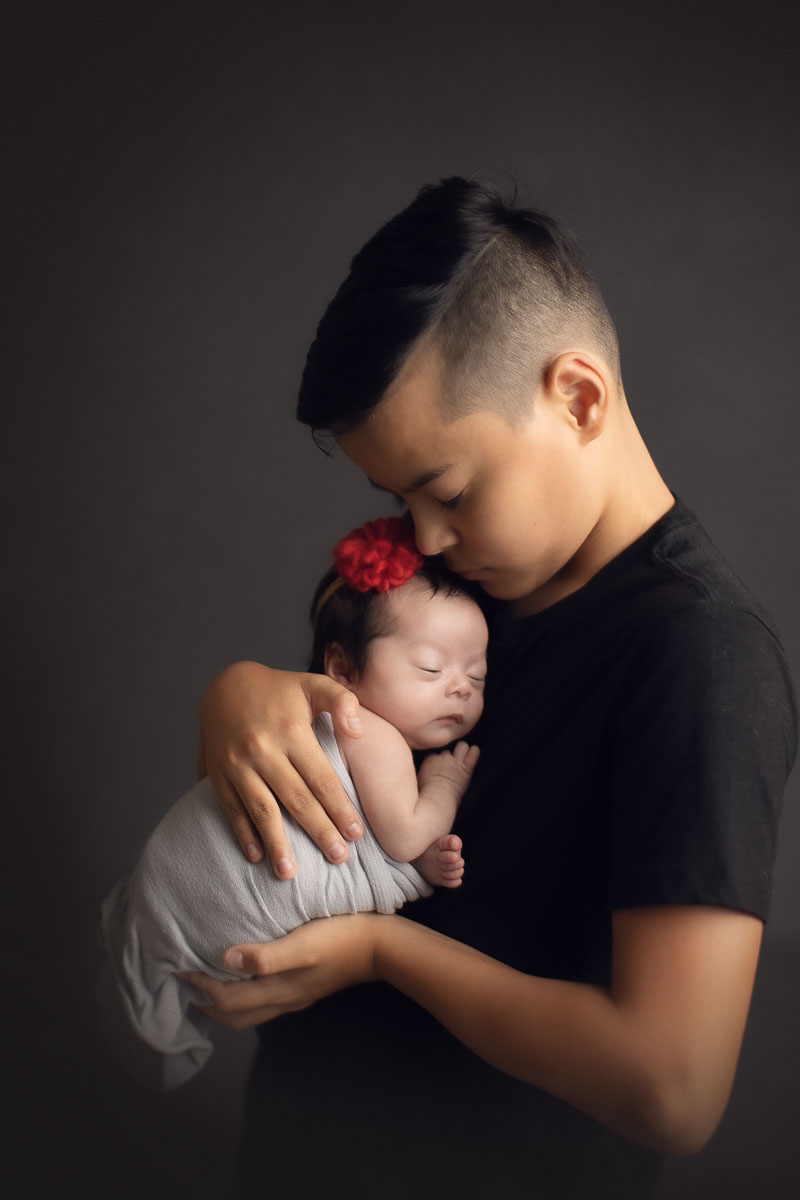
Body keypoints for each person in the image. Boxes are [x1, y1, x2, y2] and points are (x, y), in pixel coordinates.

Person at [182, 178, 797, 1199]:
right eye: (396, 499)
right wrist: (240, 694)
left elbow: (672, 1089)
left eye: (449, 491)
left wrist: (383, 954)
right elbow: (328, 755)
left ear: (578, 399)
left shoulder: (700, 657)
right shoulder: (466, 584)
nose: (423, 538)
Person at [99, 516, 488, 1090]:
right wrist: (445, 788)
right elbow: (403, 836)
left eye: (476, 676)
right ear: (341, 671)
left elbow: (376, 845)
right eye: (431, 668)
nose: (459, 686)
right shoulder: (367, 732)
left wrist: (415, 865)